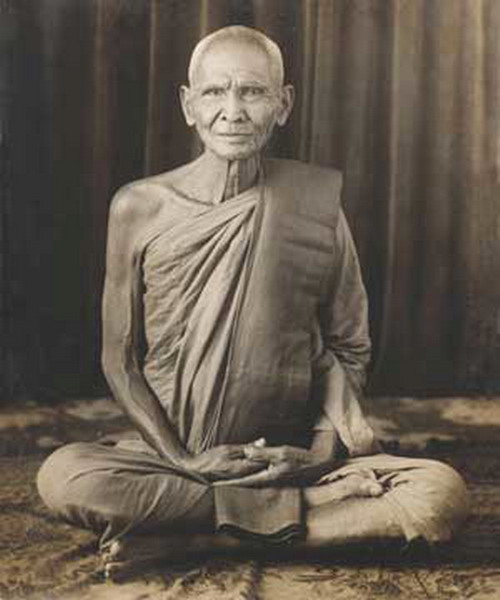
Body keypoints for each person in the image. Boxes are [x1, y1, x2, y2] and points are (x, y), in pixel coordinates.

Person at [37, 26, 469, 578]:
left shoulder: (315, 203)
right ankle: (296, 517)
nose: (233, 111)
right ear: (188, 106)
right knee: (66, 475)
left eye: (252, 92)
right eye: (215, 92)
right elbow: (119, 359)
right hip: (174, 458)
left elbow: (348, 345)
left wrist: (315, 454)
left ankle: (194, 540)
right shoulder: (139, 207)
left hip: (283, 459)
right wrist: (185, 459)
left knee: (439, 494)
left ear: (283, 105)